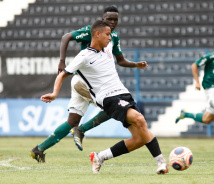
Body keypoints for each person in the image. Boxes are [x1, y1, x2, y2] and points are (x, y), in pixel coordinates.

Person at [41, 20, 168, 174]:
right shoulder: (84, 56)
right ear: (97, 34)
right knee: (139, 119)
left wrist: (136, 64)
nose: (110, 37)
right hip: (108, 98)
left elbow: (121, 59)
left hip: (123, 93)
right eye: (107, 34)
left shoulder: (108, 47)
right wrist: (54, 93)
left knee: (140, 137)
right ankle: (161, 163)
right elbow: (62, 75)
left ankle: (100, 157)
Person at [30, 5, 148, 162]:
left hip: (82, 82)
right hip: (84, 82)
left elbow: (120, 60)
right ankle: (82, 130)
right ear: (102, 19)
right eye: (109, 19)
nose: (112, 22)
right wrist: (62, 61)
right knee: (113, 108)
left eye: (115, 20)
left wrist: (135, 64)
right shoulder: (93, 31)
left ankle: (39, 149)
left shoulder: (113, 37)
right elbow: (66, 37)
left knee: (72, 121)